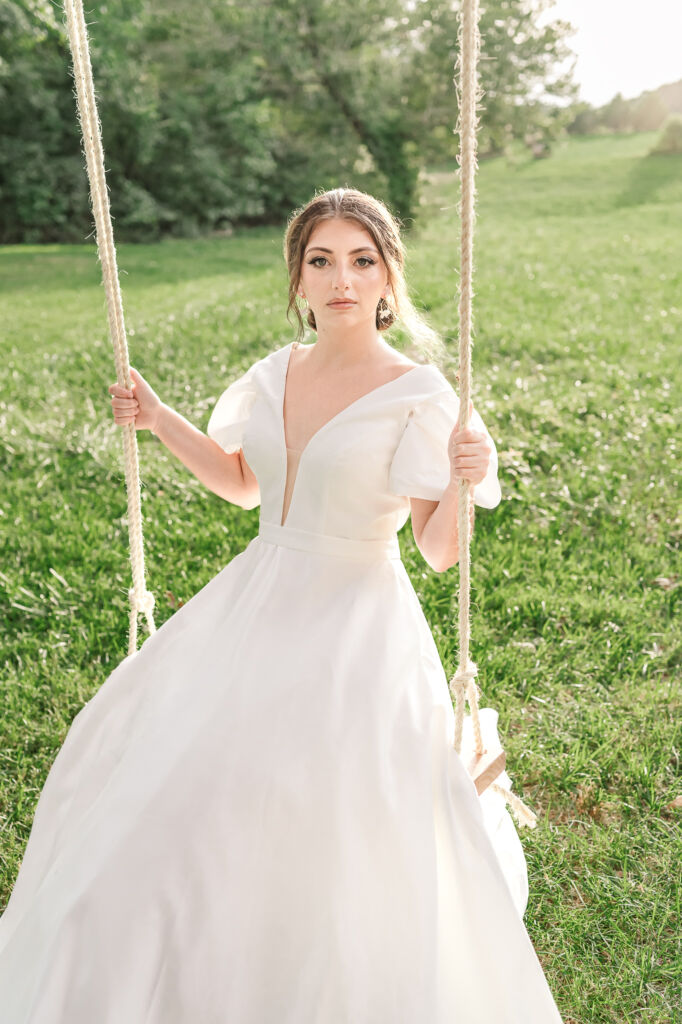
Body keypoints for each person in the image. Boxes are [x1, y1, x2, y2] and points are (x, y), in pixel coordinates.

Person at [0, 188, 563, 1022]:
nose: (342, 280)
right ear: (298, 279)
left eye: (361, 261)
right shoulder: (278, 371)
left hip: (355, 622)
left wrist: (461, 476)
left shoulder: (418, 392)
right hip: (258, 596)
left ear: (388, 278)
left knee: (321, 806)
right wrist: (159, 421)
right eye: (321, 261)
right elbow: (242, 484)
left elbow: (439, 552)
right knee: (175, 775)